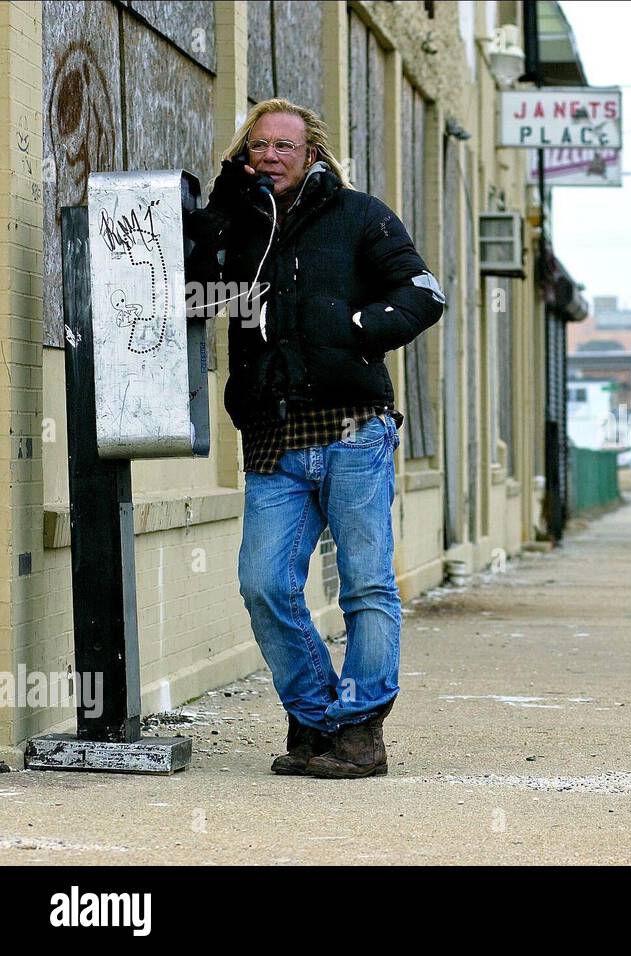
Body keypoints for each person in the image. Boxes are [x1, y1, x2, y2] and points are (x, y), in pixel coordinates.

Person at [184, 98, 445, 778]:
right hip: (273, 434)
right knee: (264, 583)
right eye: (259, 146)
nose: (270, 156)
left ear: (312, 155)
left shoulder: (360, 214)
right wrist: (218, 212)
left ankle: (360, 731)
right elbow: (196, 298)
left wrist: (355, 332)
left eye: (284, 147)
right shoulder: (241, 224)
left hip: (354, 430)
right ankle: (314, 716)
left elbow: (423, 292)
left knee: (364, 586)